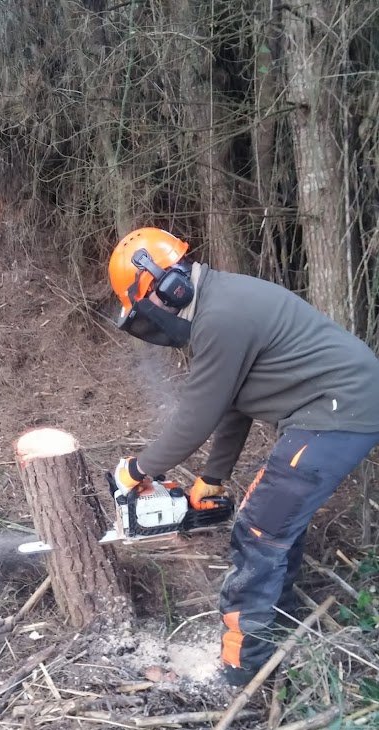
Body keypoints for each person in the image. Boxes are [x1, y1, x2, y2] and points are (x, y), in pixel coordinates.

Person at [108, 227, 379, 686]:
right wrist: (212, 478)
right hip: (332, 412)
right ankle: (279, 627)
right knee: (276, 524)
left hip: (337, 412)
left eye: (146, 303)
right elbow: (233, 405)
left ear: (168, 285)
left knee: (257, 531)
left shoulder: (220, 317)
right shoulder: (219, 304)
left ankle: (240, 670)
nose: (151, 317)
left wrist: (138, 469)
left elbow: (196, 416)